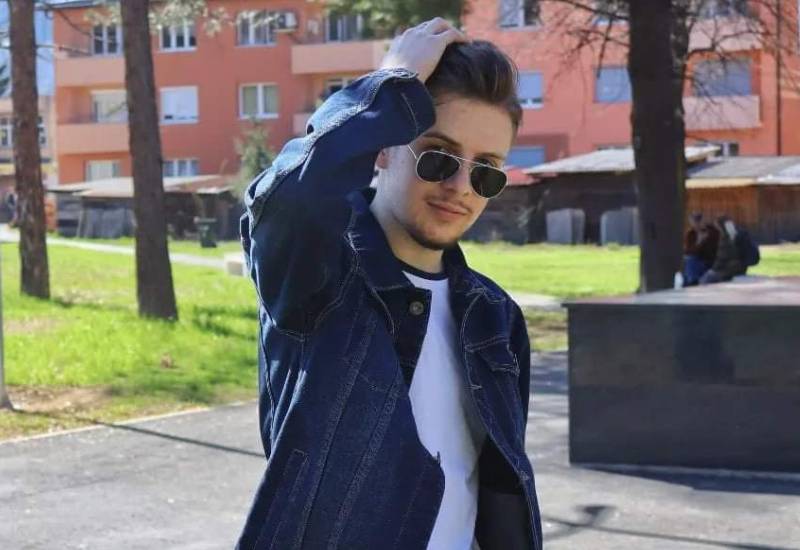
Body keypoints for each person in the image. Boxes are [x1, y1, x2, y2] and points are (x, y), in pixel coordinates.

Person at [237, 18, 542, 550]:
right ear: (384, 148)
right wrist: (391, 81)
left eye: (486, 171)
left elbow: (495, 493)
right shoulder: (319, 278)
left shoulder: (496, 316)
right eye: (438, 156)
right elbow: (289, 203)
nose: (460, 187)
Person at [699, 215, 744, 285]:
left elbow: (722, 258)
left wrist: (713, 269)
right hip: (737, 267)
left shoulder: (725, 239)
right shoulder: (734, 234)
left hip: (728, 269)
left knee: (704, 280)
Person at [683, 212, 719, 286]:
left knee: (691, 262)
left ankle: (692, 281)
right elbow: (688, 252)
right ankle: (691, 281)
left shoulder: (712, 232)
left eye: (698, 221)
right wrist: (699, 242)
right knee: (690, 260)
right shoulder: (690, 234)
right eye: (694, 222)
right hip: (696, 260)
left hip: (708, 261)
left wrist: (705, 239)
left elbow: (712, 251)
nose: (696, 225)